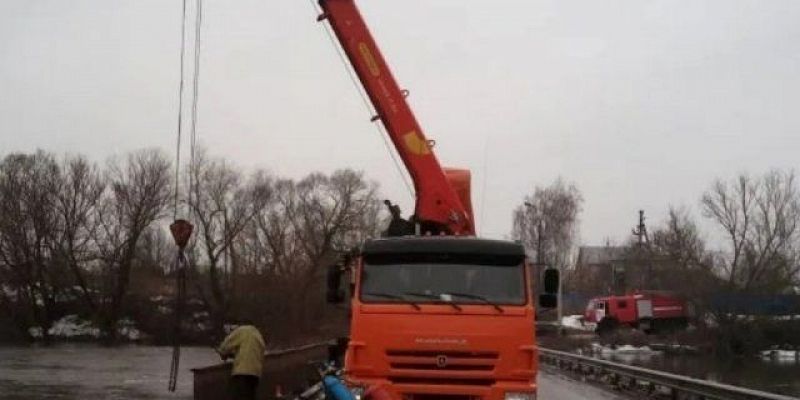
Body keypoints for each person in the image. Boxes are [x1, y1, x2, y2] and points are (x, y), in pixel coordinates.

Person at [217, 321, 266, 400]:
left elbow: (226, 345)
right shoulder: (258, 335)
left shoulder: (242, 330)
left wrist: (222, 352)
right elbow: (250, 353)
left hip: (242, 372)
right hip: (255, 374)